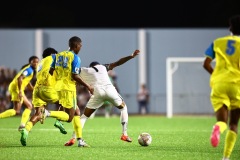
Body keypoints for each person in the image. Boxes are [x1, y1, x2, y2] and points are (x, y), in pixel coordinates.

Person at [64, 49, 140, 146]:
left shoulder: (85, 70)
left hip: (97, 93)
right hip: (110, 91)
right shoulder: (103, 67)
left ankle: (73, 138)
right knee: (123, 107)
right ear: (98, 65)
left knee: (84, 116)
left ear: (91, 66)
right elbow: (118, 63)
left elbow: (73, 74)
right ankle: (124, 134)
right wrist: (131, 56)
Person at [203, 15, 240, 160]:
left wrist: (216, 76)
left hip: (219, 84)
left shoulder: (217, 42)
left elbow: (205, 63)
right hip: (237, 85)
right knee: (234, 125)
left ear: (230, 28)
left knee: (222, 122)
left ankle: (218, 128)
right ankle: (226, 157)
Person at [19, 48, 71, 146]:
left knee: (38, 113)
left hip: (37, 90)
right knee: (66, 103)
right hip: (47, 89)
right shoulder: (53, 58)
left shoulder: (40, 63)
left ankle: (26, 130)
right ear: (52, 54)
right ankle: (58, 120)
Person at [0, 55, 39, 131]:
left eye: (37, 62)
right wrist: (20, 91)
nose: (36, 63)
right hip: (17, 88)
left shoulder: (29, 70)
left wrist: (34, 90)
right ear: (30, 62)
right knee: (19, 109)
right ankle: (22, 125)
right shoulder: (29, 70)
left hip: (14, 87)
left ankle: (22, 125)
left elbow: (27, 83)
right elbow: (20, 78)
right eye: (34, 62)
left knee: (27, 107)